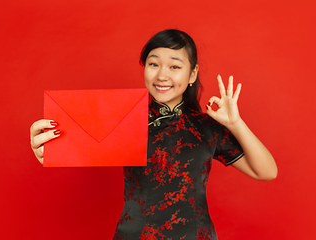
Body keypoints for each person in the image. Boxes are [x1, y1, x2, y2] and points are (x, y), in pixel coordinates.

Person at [30, 29, 277, 239]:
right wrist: (44, 147)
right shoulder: (125, 119)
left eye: (174, 66)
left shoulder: (206, 126)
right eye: (153, 64)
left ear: (192, 74)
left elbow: (266, 171)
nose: (162, 75)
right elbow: (68, 145)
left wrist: (235, 123)